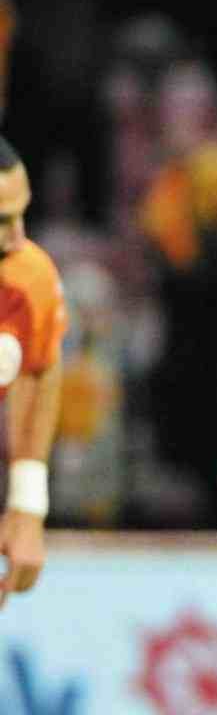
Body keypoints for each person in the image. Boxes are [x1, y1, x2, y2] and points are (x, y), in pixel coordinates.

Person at [0, 136, 67, 608]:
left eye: (21, 214)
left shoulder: (28, 277)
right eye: (0, 221)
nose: (18, 236)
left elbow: (40, 368)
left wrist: (27, 504)